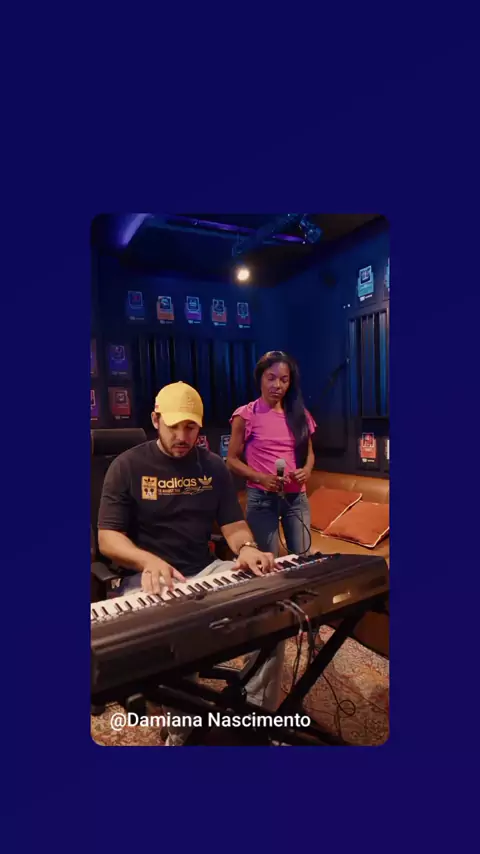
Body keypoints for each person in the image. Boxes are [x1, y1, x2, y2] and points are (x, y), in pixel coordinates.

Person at [97, 381, 282, 745]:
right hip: (145, 579)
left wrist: (246, 548)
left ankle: (255, 722)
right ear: (156, 420)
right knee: (180, 638)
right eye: (174, 426)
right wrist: (148, 561)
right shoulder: (126, 466)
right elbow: (108, 539)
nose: (182, 436)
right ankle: (182, 737)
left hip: (204, 571)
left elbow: (233, 525)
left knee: (275, 614)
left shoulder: (213, 467)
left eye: (191, 427)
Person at [227, 350, 317, 558]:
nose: (278, 385)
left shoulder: (300, 415)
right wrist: (261, 478)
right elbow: (231, 461)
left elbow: (310, 454)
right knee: (268, 562)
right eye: (271, 378)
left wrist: (306, 471)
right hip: (262, 499)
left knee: (303, 560)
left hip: (296, 498)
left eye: (284, 380)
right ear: (260, 378)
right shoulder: (246, 415)